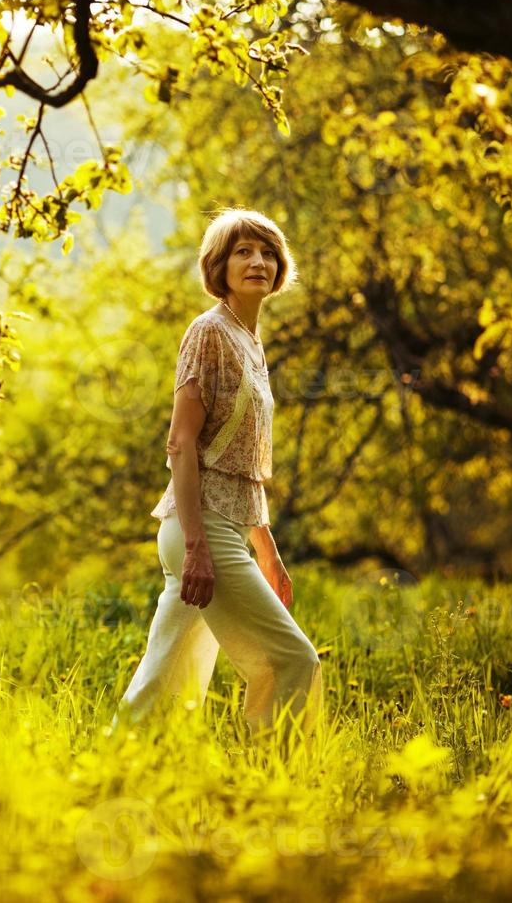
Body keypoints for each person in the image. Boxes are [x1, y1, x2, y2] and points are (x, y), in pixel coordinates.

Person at [113, 207, 323, 746]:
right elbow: (182, 445)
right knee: (293, 657)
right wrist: (198, 549)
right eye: (243, 251)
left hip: (225, 527)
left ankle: (120, 764)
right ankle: (278, 774)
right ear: (219, 267)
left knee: (169, 673)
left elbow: (241, 464)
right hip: (197, 527)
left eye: (268, 252)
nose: (258, 261)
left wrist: (267, 550)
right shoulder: (208, 333)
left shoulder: (250, 342)